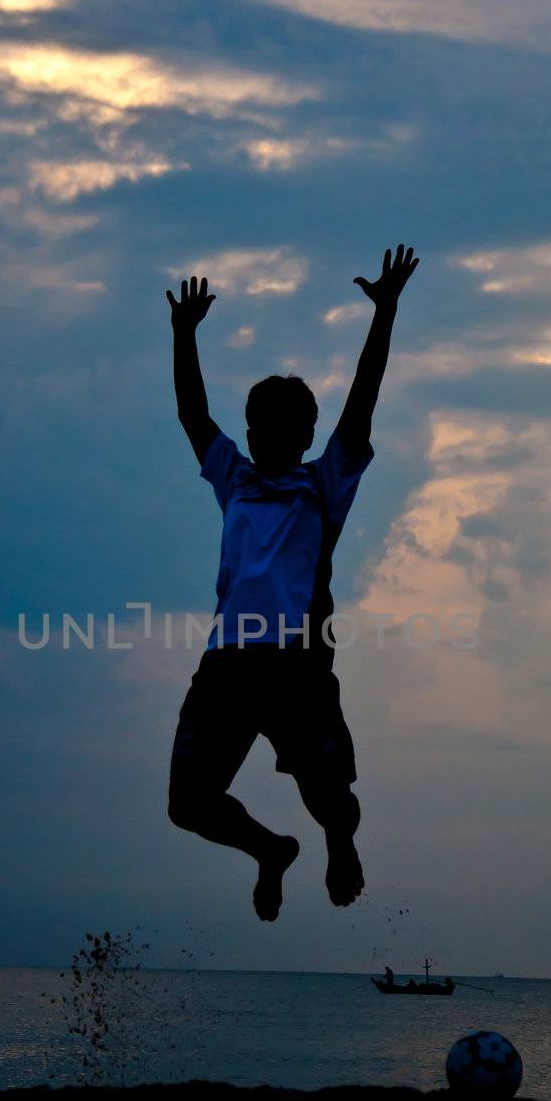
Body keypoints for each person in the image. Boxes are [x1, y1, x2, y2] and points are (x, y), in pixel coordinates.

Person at [166, 245, 420, 922]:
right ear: (249, 431)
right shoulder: (235, 481)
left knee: (327, 789)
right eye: (258, 425)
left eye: (287, 425)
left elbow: (361, 402)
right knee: (187, 805)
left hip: (295, 665)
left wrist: (384, 314)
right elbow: (194, 416)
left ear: (306, 433)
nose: (267, 435)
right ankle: (270, 851)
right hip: (226, 664)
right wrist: (183, 336)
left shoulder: (321, 485)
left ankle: (337, 841)